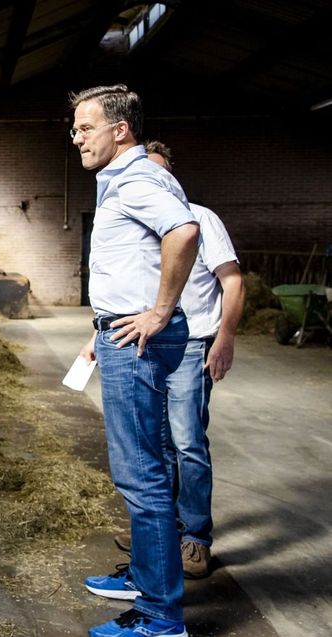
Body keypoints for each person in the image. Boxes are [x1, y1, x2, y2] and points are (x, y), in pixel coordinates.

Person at [70, 85, 200, 637]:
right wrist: (102, 327)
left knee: (141, 477)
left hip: (138, 342)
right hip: (122, 335)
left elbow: (184, 232)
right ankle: (147, 581)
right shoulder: (125, 180)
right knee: (151, 466)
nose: (75, 137)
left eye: (84, 127)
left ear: (119, 129)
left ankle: (159, 617)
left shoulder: (139, 178)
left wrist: (157, 312)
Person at [113, 141, 246, 579]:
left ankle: (196, 538)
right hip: (147, 340)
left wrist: (225, 337)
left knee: (187, 441)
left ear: (171, 177)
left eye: (159, 172)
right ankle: (159, 530)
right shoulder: (135, 221)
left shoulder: (201, 219)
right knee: (154, 443)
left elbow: (233, 282)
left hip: (191, 343)